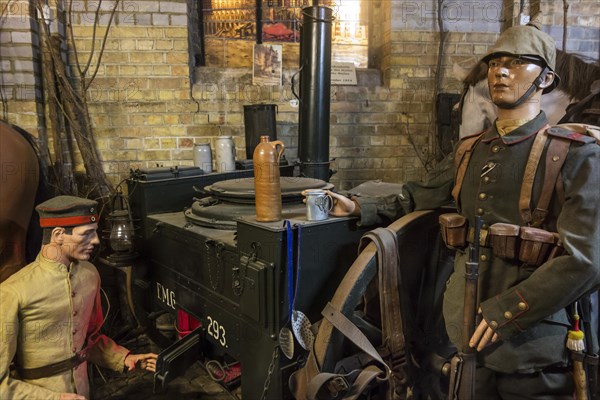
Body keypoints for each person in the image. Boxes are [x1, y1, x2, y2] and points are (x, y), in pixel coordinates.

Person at [328, 24, 600, 398]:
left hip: (531, 346)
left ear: (547, 79)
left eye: (519, 63)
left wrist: (508, 311)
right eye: (495, 62)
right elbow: (416, 197)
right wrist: (360, 205)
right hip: (461, 330)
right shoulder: (470, 151)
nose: (501, 71)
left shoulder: (574, 154)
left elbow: (587, 259)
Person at [0, 195, 158, 400]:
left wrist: (124, 358)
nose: (96, 241)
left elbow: (88, 339)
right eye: (86, 234)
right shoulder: (14, 291)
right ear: (58, 235)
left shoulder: (89, 275)